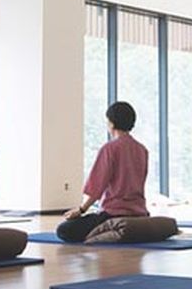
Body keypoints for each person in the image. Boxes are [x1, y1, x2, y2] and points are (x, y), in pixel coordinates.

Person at [57, 101, 149, 242]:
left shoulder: (110, 149)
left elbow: (97, 187)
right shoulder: (142, 150)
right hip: (140, 214)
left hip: (113, 214)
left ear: (111, 124)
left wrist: (81, 210)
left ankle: (106, 231)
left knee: (64, 230)